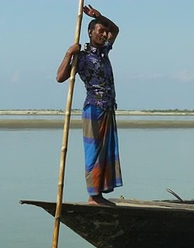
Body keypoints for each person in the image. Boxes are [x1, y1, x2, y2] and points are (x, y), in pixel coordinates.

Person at [56, 5, 122, 206]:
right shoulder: (82, 57)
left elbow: (116, 30)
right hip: (94, 108)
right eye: (99, 31)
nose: (103, 34)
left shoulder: (104, 52)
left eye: (104, 32)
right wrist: (69, 53)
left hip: (108, 108)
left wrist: (99, 16)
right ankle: (93, 196)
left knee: (106, 153)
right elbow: (60, 77)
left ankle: (98, 194)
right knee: (94, 153)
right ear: (89, 33)